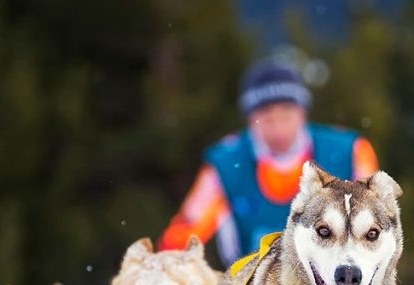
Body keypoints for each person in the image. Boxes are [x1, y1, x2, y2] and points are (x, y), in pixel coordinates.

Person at [159, 61, 380, 264]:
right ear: (250, 119)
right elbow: (185, 233)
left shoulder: (349, 151)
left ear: (302, 112)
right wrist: (161, 269)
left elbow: (377, 226)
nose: (278, 129)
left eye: (286, 115)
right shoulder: (226, 163)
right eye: (266, 118)